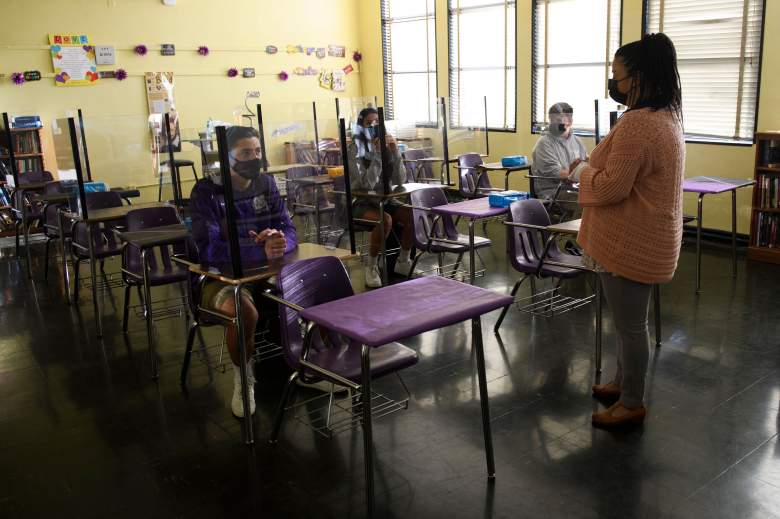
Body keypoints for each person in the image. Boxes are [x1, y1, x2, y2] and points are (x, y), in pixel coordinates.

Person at [566, 33, 685, 427]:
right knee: (628, 323)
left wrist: (583, 172)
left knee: (632, 327)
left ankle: (632, 402)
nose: (612, 83)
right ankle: (621, 383)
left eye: (617, 75)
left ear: (640, 77)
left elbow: (613, 187)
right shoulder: (666, 117)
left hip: (631, 242)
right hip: (648, 238)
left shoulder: (638, 124)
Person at [190, 126, 297, 418]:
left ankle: (312, 366)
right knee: (244, 312)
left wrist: (279, 242)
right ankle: (243, 379)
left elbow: (289, 228)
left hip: (266, 272)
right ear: (227, 158)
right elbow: (208, 249)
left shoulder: (267, 183)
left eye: (258, 151)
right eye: (245, 153)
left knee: (316, 286)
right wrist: (256, 248)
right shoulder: (206, 192)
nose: (254, 158)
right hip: (218, 278)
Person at [347, 107, 418, 288]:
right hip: (362, 202)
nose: (373, 127)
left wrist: (394, 152)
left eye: (377, 124)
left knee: (412, 215)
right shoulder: (354, 150)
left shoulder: (385, 147)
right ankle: (371, 266)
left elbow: (400, 179)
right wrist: (378, 155)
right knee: (384, 220)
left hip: (385, 199)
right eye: (368, 124)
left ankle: (403, 260)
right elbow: (366, 185)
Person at [531, 102, 587, 220]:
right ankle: (579, 236)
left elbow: (586, 165)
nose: (554, 124)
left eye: (559, 119)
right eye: (552, 120)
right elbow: (558, 174)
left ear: (570, 121)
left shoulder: (576, 141)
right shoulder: (544, 144)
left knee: (602, 199)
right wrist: (576, 170)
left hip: (574, 189)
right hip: (554, 193)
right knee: (589, 204)